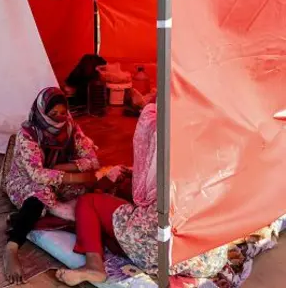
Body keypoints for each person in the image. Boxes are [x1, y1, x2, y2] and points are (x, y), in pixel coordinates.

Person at [55, 103, 228, 286]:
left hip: (162, 249)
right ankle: (183, 278)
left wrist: (70, 173)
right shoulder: (219, 154)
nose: (58, 118)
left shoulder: (166, 134)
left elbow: (141, 190)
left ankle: (94, 266)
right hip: (211, 258)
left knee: (88, 203)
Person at [2, 87, 100, 284]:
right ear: (41, 111)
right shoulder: (28, 133)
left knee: (94, 190)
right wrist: (74, 177)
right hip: (25, 180)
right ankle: (11, 248)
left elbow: (93, 160)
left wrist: (64, 166)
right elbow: (36, 174)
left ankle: (53, 210)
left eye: (63, 112)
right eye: (53, 113)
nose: (58, 118)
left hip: (58, 177)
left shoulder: (70, 127)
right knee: (40, 195)